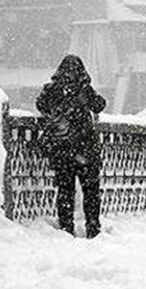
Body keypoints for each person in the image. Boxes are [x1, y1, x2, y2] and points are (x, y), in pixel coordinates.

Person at [36, 54, 107, 238]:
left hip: (62, 150)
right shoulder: (84, 90)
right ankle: (93, 227)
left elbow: (40, 105)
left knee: (65, 192)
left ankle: (66, 228)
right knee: (91, 192)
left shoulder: (52, 90)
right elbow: (99, 105)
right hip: (85, 149)